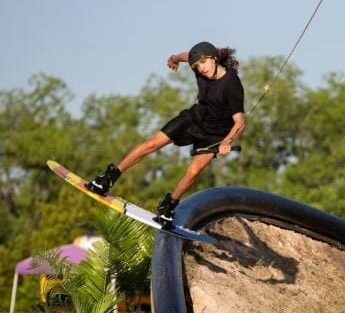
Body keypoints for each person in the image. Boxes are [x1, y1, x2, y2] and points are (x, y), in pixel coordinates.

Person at [87, 41, 246, 226]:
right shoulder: (198, 65)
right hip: (194, 119)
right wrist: (174, 58)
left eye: (203, 63)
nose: (200, 69)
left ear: (214, 58)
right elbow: (188, 55)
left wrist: (227, 141)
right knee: (152, 144)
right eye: (197, 66)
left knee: (194, 172)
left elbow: (240, 122)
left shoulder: (232, 83)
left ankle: (168, 207)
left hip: (216, 134)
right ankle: (109, 178)